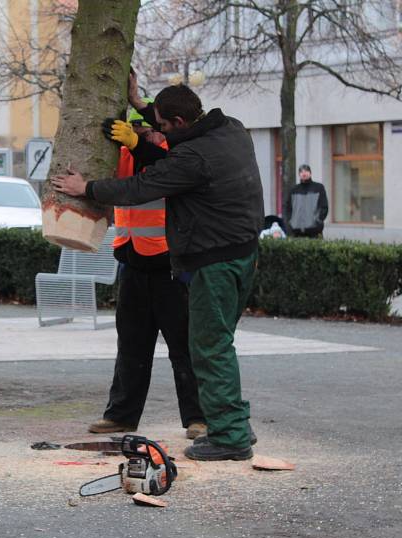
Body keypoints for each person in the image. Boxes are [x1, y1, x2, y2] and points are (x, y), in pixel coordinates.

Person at [52, 81, 264, 462]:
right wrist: (141, 104)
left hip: (213, 261)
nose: (158, 133)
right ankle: (232, 420)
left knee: (207, 347)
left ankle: (229, 435)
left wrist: (87, 187)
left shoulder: (192, 158)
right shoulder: (231, 128)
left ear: (180, 122)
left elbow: (141, 186)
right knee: (215, 345)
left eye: (163, 126)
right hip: (240, 255)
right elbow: (176, 134)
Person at [88, 104, 206, 440]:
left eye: (147, 128)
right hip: (132, 260)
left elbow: (158, 164)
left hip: (169, 265)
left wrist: (140, 143)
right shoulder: (122, 154)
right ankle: (121, 415)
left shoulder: (172, 154)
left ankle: (198, 417)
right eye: (136, 129)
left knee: (183, 346)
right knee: (131, 345)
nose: (143, 134)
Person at [284, 164, 328, 238]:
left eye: (306, 171)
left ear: (310, 173)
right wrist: (290, 221)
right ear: (299, 174)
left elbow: (324, 207)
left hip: (314, 231)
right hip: (296, 231)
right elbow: (288, 207)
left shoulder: (318, 188)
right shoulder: (294, 190)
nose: (304, 173)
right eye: (301, 172)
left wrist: (318, 220)